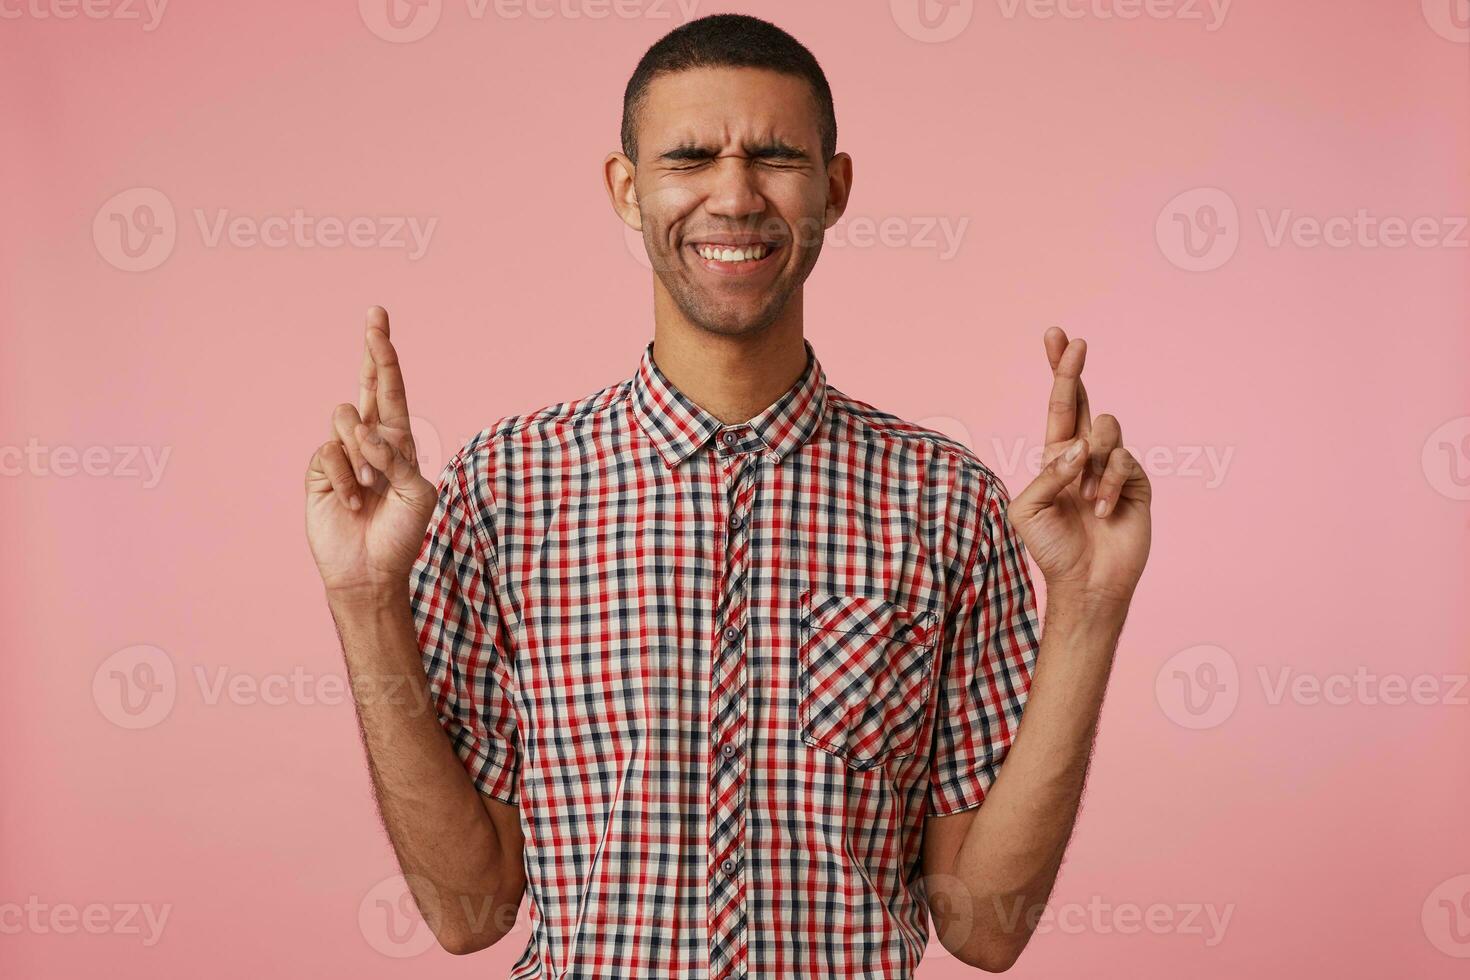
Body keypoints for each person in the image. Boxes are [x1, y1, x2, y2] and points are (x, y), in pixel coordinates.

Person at [304, 13, 1151, 978]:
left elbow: (986, 926)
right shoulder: (505, 489)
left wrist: (1089, 605)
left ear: (833, 189)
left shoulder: (948, 503)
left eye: (778, 156)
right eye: (692, 156)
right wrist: (366, 597)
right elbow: (468, 910)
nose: (736, 194)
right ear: (628, 190)